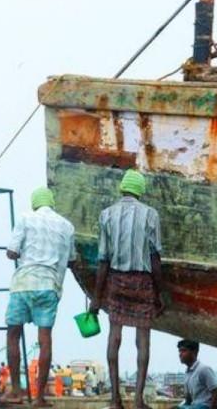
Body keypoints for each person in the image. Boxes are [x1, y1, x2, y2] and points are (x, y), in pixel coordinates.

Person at [89, 169, 164, 409]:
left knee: (115, 337)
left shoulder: (106, 215)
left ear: (122, 188)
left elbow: (102, 259)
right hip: (142, 281)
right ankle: (139, 400)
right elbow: (155, 258)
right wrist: (160, 292)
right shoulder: (150, 215)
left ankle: (115, 400)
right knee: (143, 341)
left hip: (116, 280)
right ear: (140, 190)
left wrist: (96, 297)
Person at [0, 187, 75, 407]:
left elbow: (11, 252)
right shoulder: (67, 226)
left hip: (24, 283)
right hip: (50, 286)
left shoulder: (25, 218)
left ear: (34, 203)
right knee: (44, 341)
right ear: (52, 203)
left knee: (13, 334)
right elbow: (72, 260)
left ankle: (15, 390)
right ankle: (39, 397)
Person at [177, 340, 217, 409]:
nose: (180, 354)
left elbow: (216, 394)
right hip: (194, 406)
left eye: (183, 351)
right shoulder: (187, 373)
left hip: (204, 406)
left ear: (194, 352)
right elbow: (188, 399)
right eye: (179, 351)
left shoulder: (204, 369)